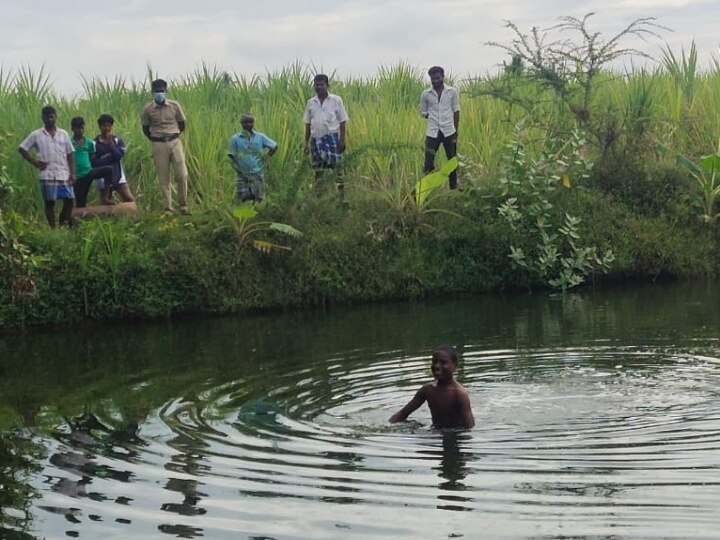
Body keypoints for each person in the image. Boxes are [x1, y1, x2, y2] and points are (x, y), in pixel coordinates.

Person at [18, 106, 76, 228]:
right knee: (50, 203)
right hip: (47, 174)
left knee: (69, 200)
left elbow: (70, 154)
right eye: (47, 117)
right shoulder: (36, 135)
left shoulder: (63, 134)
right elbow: (22, 148)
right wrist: (34, 162)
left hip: (63, 173)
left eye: (52, 116)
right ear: (42, 118)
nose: (50, 119)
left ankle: (62, 224)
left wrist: (72, 173)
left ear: (56, 117)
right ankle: (53, 229)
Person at [389, 346, 474, 429]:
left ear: (455, 366)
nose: (437, 366)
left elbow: (469, 427)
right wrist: (386, 426)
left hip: (455, 434)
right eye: (434, 361)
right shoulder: (428, 389)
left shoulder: (459, 394)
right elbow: (402, 414)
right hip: (435, 429)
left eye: (443, 362)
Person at [141, 78, 190, 215]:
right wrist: (155, 138)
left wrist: (174, 135)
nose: (159, 93)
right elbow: (145, 128)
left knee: (182, 174)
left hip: (174, 141)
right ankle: (168, 207)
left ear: (166, 91)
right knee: (163, 177)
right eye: (156, 91)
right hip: (158, 143)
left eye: (161, 91)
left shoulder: (175, 106)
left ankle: (183, 205)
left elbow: (182, 124)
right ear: (152, 92)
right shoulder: (148, 109)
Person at [303, 74, 349, 198]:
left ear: (327, 86)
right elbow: (307, 124)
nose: (319, 87)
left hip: (332, 139)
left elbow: (343, 121)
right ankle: (319, 199)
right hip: (315, 140)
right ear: (314, 86)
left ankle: (342, 197)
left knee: (337, 169)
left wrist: (342, 141)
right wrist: (306, 143)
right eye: (317, 84)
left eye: (322, 84)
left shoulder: (336, 100)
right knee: (318, 171)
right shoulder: (311, 103)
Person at [420, 66, 460, 189]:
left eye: (437, 78)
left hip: (449, 131)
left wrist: (455, 132)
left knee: (452, 160)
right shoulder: (426, 94)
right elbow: (423, 112)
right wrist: (434, 118)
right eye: (433, 79)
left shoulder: (452, 92)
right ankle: (427, 188)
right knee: (428, 161)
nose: (435, 81)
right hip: (433, 132)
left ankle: (453, 186)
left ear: (442, 77)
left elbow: (456, 111)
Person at [228, 114, 278, 203]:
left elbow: (274, 146)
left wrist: (264, 158)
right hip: (242, 176)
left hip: (257, 174)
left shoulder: (260, 137)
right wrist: (240, 171)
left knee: (259, 199)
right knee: (242, 200)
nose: (248, 125)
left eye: (250, 122)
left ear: (253, 123)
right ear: (241, 124)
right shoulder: (235, 139)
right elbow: (232, 157)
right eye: (245, 123)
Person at [70, 117, 114, 207]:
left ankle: (105, 197)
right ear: (72, 129)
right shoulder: (69, 142)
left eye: (82, 128)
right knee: (81, 202)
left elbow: (92, 158)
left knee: (109, 170)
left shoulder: (89, 142)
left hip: (89, 172)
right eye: (77, 128)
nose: (80, 130)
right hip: (77, 177)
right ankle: (78, 217)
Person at [92, 114, 135, 204]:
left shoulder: (118, 140)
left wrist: (111, 144)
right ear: (100, 127)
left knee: (129, 199)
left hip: (118, 175)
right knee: (107, 202)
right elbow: (95, 162)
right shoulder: (94, 143)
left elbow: (119, 156)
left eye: (109, 126)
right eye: (104, 126)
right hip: (103, 177)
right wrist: (111, 157)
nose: (107, 128)